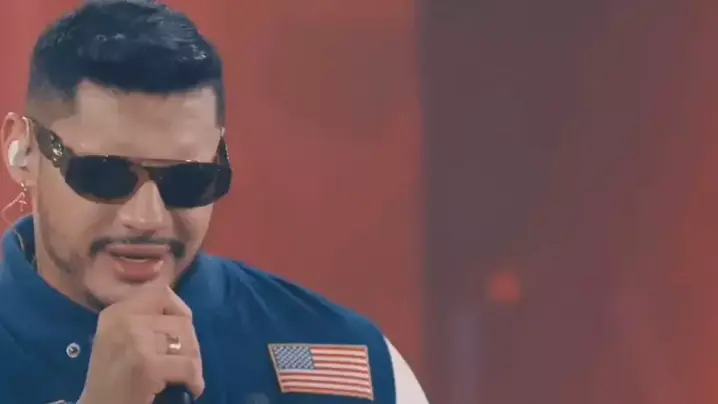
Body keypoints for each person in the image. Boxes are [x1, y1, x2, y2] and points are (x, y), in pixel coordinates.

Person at [0, 1, 430, 403]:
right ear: (23, 152)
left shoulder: (355, 363)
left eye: (188, 180)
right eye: (105, 176)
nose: (146, 218)